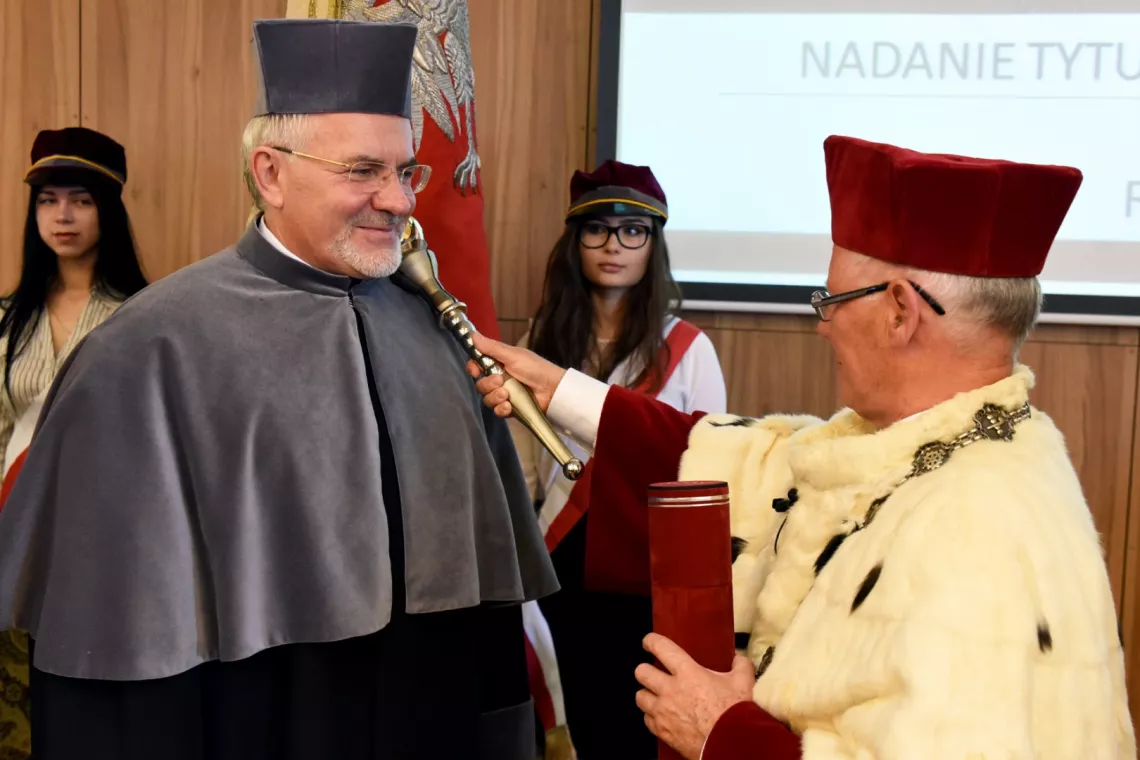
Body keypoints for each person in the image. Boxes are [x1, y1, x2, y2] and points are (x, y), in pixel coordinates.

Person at [469, 135, 1136, 759]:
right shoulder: (941, 439)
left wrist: (721, 730)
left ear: (900, 310)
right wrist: (560, 390)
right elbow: (757, 462)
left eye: (832, 298)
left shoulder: (980, 528)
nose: (824, 326)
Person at [0, 18, 556, 760]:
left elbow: (486, 630)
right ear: (270, 172)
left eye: (406, 171)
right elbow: (115, 665)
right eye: (363, 171)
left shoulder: (434, 333)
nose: (399, 201)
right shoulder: (147, 352)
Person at [515, 159, 726, 759]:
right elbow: (527, 467)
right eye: (598, 229)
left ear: (653, 245)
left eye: (634, 230)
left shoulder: (687, 349)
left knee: (639, 727)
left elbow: (706, 472)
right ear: (574, 240)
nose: (614, 245)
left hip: (645, 572)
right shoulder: (542, 344)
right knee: (578, 718)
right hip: (562, 564)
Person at [0, 126, 147, 760]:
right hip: (14, 525)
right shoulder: (8, 317)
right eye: (48, 200)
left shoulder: (144, 316)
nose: (62, 216)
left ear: (108, 209)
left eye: (82, 200)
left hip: (105, 540)